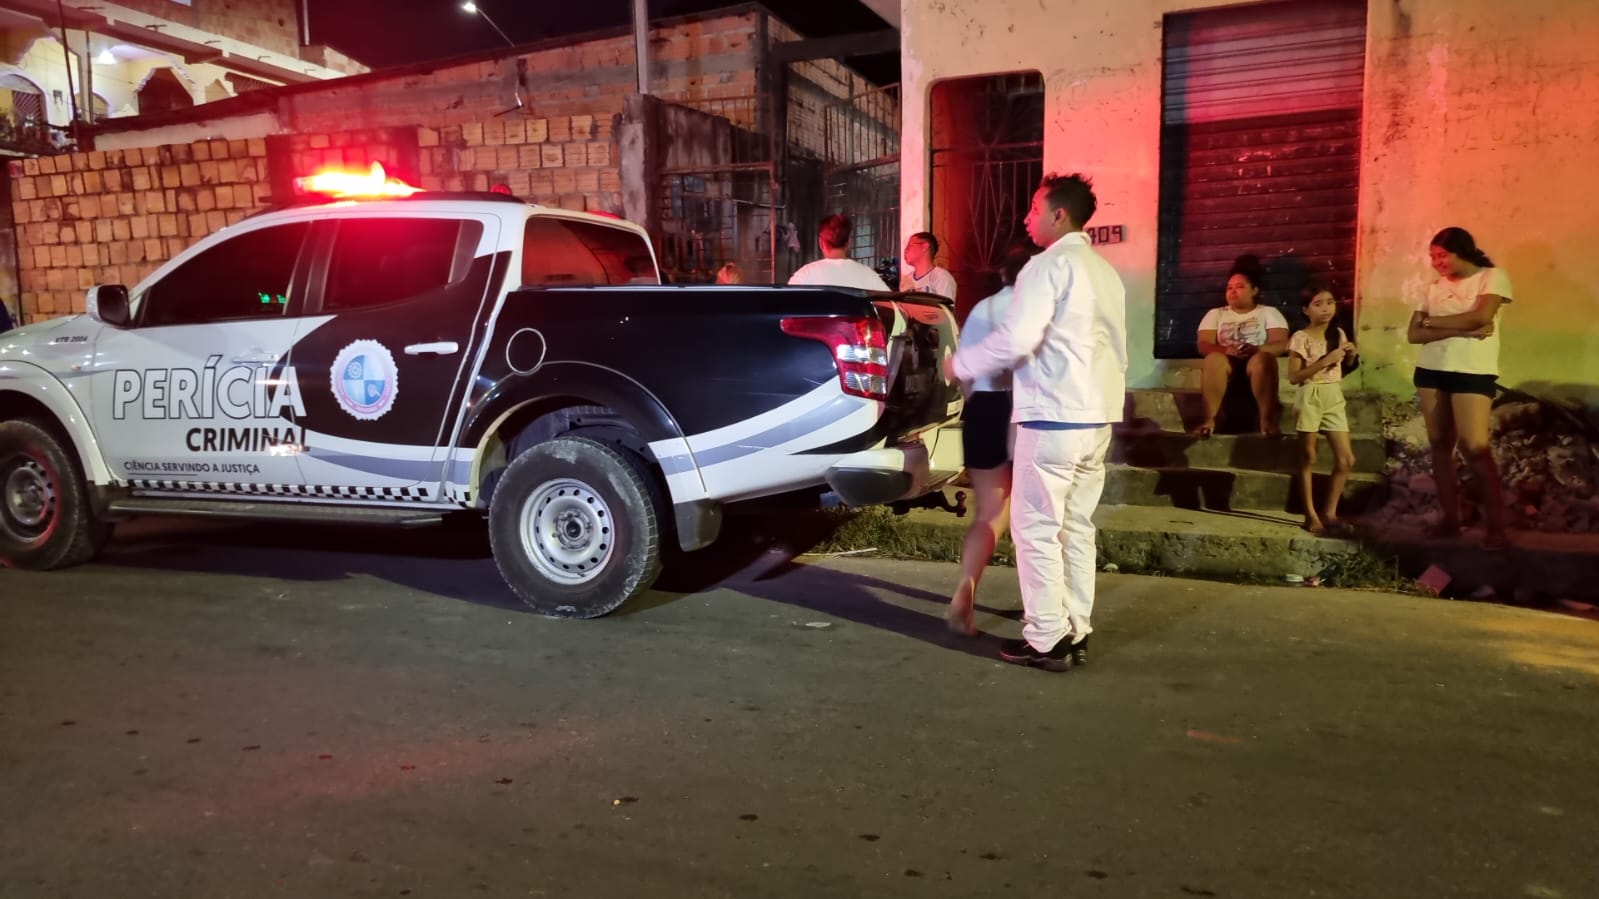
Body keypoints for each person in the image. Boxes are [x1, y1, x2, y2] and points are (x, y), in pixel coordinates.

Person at [944, 173, 1128, 672]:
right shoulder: (1105, 272)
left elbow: (1017, 338)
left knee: (1037, 529)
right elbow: (1117, 347)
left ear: (1058, 215)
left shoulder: (1046, 266)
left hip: (1052, 415)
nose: (1027, 218)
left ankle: (1047, 637)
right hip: (1095, 417)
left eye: (1033, 208)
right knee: (1076, 527)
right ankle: (1076, 628)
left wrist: (960, 364)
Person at [946, 242, 1034, 636]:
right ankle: (1042, 608)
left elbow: (965, 375)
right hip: (1025, 409)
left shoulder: (982, 308)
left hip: (984, 408)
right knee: (1037, 516)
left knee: (988, 515)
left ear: (1002, 273)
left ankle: (964, 592)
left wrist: (979, 408)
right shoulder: (1037, 307)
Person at [1407, 226, 1511, 549]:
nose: (1436, 262)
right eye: (1432, 256)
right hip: (1431, 370)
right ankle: (1450, 520)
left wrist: (1432, 322)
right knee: (1440, 445)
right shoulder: (1433, 288)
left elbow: (1481, 317)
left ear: (1462, 251)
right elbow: (1414, 334)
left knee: (1474, 447)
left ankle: (1496, 528)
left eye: (1442, 255)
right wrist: (1463, 329)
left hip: (1472, 371)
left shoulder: (1491, 277)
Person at [1286, 283, 1358, 535]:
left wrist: (1350, 354)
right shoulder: (1301, 337)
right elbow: (1294, 377)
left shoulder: (1338, 333)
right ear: (1306, 310)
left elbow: (1342, 369)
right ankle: (1310, 514)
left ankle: (1330, 512)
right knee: (1308, 457)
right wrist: (1323, 361)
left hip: (1333, 395)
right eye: (1318, 304)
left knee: (1346, 459)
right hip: (1310, 395)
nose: (1325, 309)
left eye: (1330, 302)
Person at [1194, 256, 1289, 437]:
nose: (1232, 291)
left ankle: (1266, 420)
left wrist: (1257, 349)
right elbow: (1203, 345)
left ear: (1254, 290)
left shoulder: (1268, 312)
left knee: (1263, 360)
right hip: (1227, 364)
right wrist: (1225, 350)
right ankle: (1209, 419)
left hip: (1255, 363)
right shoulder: (1216, 314)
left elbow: (1281, 344)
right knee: (1213, 359)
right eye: (1229, 288)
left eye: (1239, 287)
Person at [787, 214, 889, 290]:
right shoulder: (868, 275)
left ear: (821, 242)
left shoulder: (804, 275)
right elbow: (891, 305)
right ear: (849, 243)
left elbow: (786, 305)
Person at [899, 231, 957, 301]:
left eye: (909, 246)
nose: (905, 250)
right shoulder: (906, 280)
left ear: (925, 246)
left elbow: (944, 307)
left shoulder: (942, 278)